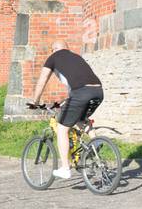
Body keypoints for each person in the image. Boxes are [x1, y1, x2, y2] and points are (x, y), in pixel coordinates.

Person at [29, 42, 104, 180]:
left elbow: (42, 80)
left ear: (54, 50)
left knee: (62, 128)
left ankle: (65, 168)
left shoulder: (54, 57)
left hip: (81, 93)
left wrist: (35, 102)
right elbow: (78, 83)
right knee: (81, 119)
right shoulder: (76, 57)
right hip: (98, 91)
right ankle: (96, 142)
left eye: (52, 50)